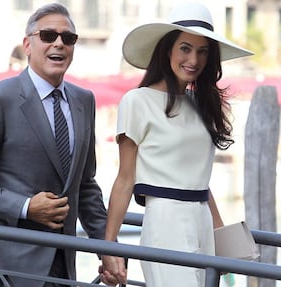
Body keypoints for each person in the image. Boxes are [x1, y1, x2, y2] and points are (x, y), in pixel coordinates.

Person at [0, 3, 107, 287]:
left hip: (64, 267)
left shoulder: (85, 100)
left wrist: (108, 248)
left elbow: (85, 184)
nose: (59, 42)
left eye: (68, 38)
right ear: (27, 44)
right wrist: (24, 207)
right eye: (48, 35)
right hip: (9, 267)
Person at [100, 1, 253, 286]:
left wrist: (222, 237)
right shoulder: (138, 101)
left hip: (202, 224)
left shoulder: (202, 104)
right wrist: (109, 247)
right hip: (165, 223)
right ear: (167, 49)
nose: (194, 59)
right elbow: (125, 179)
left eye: (202, 51)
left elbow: (199, 182)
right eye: (185, 48)